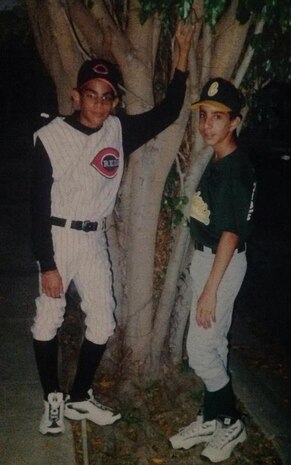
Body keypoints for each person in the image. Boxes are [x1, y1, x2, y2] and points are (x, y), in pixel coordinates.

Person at [30, 22, 194, 436]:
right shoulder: (51, 138)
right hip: (58, 236)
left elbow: (169, 111)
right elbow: (36, 206)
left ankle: (80, 397)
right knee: (48, 317)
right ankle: (53, 398)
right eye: (91, 95)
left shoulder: (118, 132)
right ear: (76, 95)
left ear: (114, 102)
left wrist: (181, 54)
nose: (99, 104)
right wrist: (48, 264)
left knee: (103, 321)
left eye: (106, 98)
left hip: (93, 238)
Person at [169, 78, 256, 462]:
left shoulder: (236, 168)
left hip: (220, 265)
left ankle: (231, 423)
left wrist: (209, 291)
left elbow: (231, 233)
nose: (207, 125)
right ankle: (211, 418)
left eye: (217, 117)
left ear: (234, 121)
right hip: (209, 261)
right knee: (214, 345)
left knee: (200, 351)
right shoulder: (220, 159)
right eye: (204, 116)